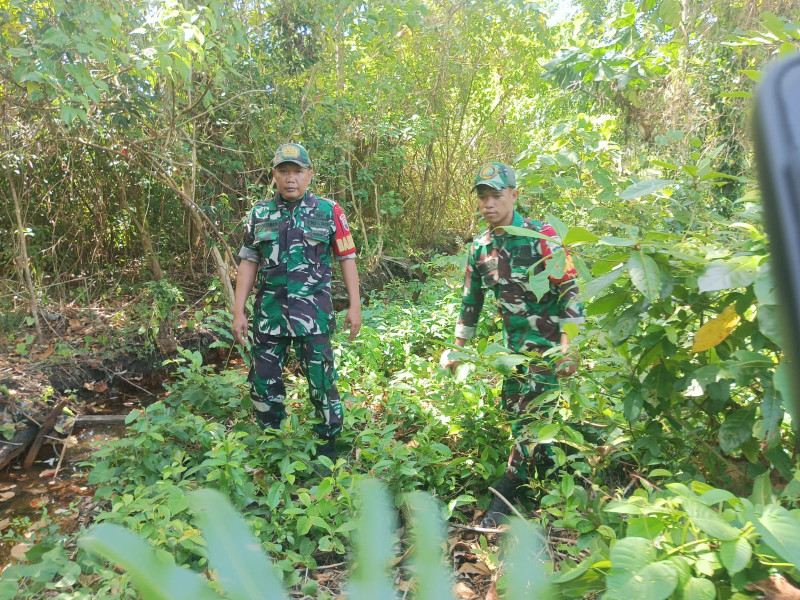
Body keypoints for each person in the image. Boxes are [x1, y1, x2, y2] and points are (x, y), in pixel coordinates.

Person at [442, 162, 583, 527]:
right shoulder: (481, 247)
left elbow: (569, 288)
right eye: (483, 197)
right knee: (517, 412)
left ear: (515, 195)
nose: (488, 204)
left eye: (496, 196)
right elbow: (470, 302)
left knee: (530, 417)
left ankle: (509, 487)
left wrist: (569, 343)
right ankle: (556, 468)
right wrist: (458, 347)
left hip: (548, 344)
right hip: (511, 349)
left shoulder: (543, 235)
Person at [232, 142, 361, 466]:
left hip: (314, 316)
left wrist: (354, 305)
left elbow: (346, 258)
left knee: (322, 383)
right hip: (270, 316)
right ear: (274, 175)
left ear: (309, 175)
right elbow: (248, 262)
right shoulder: (259, 214)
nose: (291, 179)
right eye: (284, 172)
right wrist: (238, 310)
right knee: (263, 384)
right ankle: (273, 446)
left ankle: (327, 450)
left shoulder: (329, 211)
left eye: (297, 172)